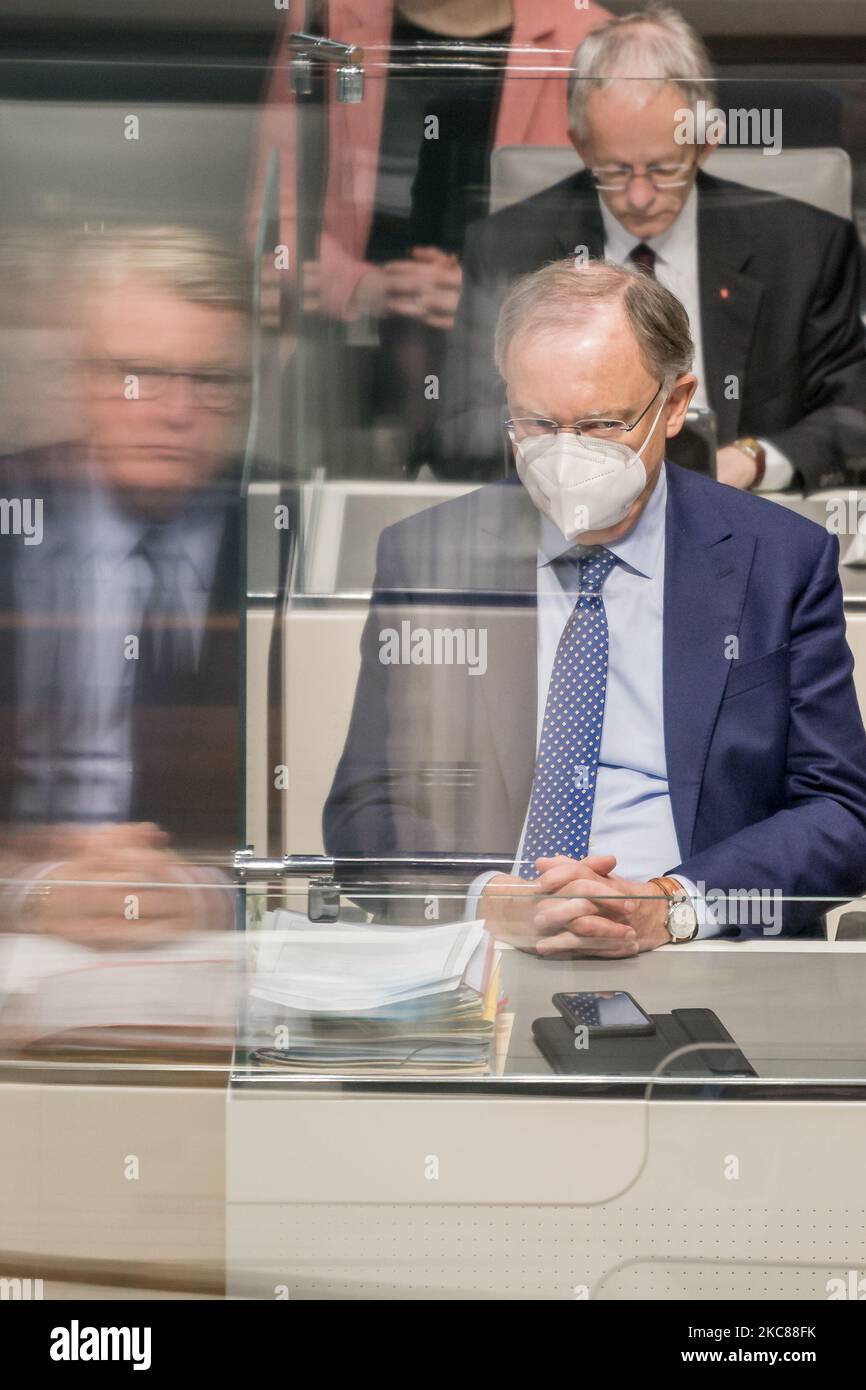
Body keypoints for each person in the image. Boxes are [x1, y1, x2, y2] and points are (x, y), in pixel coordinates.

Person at [325, 259, 866, 949]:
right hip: (492, 952)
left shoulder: (780, 559)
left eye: (603, 423)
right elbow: (365, 808)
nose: (566, 454)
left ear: (674, 405)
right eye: (538, 424)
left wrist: (671, 907)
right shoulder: (428, 554)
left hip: (700, 949)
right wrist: (489, 901)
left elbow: (841, 813)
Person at [434, 4, 866, 493]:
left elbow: (853, 414)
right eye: (615, 171)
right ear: (581, 145)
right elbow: (460, 428)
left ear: (706, 143)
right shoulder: (508, 248)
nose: (639, 198)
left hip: (743, 516)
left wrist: (752, 461)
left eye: (663, 169)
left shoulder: (805, 247)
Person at [0, 226, 252, 943]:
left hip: (211, 945)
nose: (176, 411)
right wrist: (31, 891)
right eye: (138, 374)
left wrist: (211, 895)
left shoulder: (281, 526)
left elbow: (342, 825)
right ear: (80, 377)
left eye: (210, 380)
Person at [251, 0, 610, 477]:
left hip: (507, 366)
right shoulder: (326, 16)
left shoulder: (587, 34)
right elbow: (276, 215)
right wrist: (362, 287)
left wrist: (486, 295)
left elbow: (601, 240)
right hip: (344, 350)